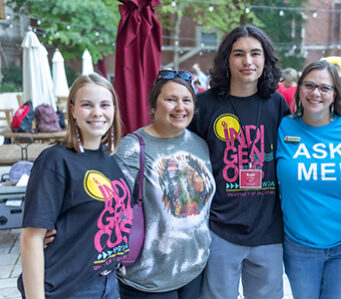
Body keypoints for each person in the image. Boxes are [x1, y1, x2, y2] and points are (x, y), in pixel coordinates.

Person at [189, 24, 290, 299]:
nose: (248, 61)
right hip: (219, 230)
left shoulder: (277, 104)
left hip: (268, 230)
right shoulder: (204, 105)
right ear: (227, 59)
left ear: (265, 60)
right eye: (239, 54)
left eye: (255, 54)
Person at [19, 73, 129, 298]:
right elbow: (31, 238)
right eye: (87, 105)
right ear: (72, 110)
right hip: (68, 288)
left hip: (107, 282)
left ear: (114, 110)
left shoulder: (110, 160)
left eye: (105, 105)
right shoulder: (55, 161)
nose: (97, 113)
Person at [114, 69, 216, 298]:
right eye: (170, 99)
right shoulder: (131, 149)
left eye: (186, 100)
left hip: (195, 271)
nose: (180, 107)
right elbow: (103, 206)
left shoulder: (201, 144)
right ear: (152, 106)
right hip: (147, 279)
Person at [276, 60, 341, 299]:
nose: (316, 93)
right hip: (299, 245)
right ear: (300, 88)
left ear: (335, 94)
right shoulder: (283, 126)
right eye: (309, 85)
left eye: (325, 88)